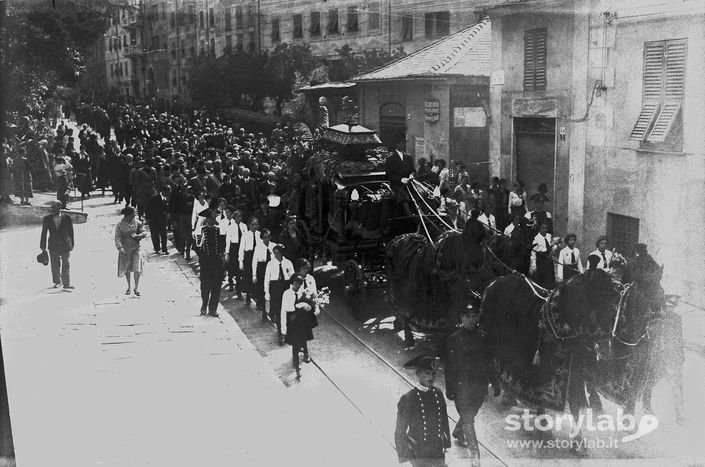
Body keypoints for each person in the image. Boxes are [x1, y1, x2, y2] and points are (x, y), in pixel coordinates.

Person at [445, 306, 500, 464]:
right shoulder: (454, 338)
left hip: (479, 386)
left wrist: (495, 383)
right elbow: (450, 365)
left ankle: (458, 431)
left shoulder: (483, 337)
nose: (470, 319)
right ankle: (475, 454)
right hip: (462, 386)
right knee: (469, 418)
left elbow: (490, 362)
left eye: (473, 316)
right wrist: (450, 387)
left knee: (472, 412)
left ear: (478, 317)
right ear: (461, 318)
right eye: (467, 316)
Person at [394, 355, 451, 467]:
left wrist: (447, 446)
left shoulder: (438, 393)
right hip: (418, 452)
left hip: (438, 450)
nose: (431, 377)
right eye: (427, 373)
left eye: (433, 373)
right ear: (418, 374)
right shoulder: (409, 398)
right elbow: (400, 430)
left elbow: (444, 421)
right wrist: (404, 457)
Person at [280, 275, 316, 379]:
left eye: (299, 284)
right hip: (292, 322)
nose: (297, 285)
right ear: (292, 283)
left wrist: (308, 307)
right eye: (296, 283)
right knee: (295, 344)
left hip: (301, 322)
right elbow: (283, 311)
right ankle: (296, 364)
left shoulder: (302, 293)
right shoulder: (286, 294)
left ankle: (303, 355)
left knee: (302, 340)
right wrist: (283, 329)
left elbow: (308, 306)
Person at [196, 207, 226, 317]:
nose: (212, 220)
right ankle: (204, 304)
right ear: (207, 219)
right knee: (205, 285)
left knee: (216, 286)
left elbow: (223, 245)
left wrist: (222, 259)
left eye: (214, 218)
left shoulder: (219, 230)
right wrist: (202, 257)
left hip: (217, 261)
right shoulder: (201, 230)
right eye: (210, 218)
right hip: (206, 262)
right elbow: (197, 245)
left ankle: (213, 309)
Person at [40, 201, 74, 289]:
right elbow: (44, 233)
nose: (54, 209)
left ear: (60, 207)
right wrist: (42, 246)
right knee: (55, 264)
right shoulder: (47, 219)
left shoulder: (67, 218)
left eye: (55, 207)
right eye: (52, 207)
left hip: (65, 244)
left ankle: (66, 283)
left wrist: (72, 243)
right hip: (53, 244)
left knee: (66, 263)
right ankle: (57, 281)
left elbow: (71, 232)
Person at [265, 244, 294, 344]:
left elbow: (292, 277)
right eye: (275, 253)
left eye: (278, 253)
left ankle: (287, 332)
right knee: (278, 311)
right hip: (275, 287)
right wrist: (267, 292)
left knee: (287, 310)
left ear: (282, 253)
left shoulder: (288, 263)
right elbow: (267, 279)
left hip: (285, 287)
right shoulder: (270, 264)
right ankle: (280, 333)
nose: (276, 255)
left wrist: (292, 290)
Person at [114, 206, 147, 296]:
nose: (134, 216)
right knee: (127, 268)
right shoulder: (120, 225)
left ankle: (136, 288)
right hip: (125, 249)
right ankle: (129, 286)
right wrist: (120, 248)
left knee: (137, 268)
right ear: (128, 215)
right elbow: (117, 237)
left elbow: (144, 231)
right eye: (133, 214)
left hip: (136, 247)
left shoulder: (137, 222)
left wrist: (139, 236)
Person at [385, 134, 416, 217]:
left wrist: (411, 175)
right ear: (397, 144)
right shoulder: (390, 158)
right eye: (401, 143)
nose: (403, 145)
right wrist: (401, 179)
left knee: (420, 191)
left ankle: (421, 211)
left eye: (404, 143)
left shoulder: (409, 157)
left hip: (409, 183)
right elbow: (389, 175)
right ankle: (409, 214)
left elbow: (413, 170)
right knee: (403, 195)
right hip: (397, 184)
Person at [252, 228, 276, 321]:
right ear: (262, 238)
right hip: (262, 269)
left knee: (272, 291)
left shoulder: (273, 246)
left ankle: (272, 313)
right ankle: (264, 314)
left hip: (271, 268)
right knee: (263, 292)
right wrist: (254, 275)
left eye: (268, 237)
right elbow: (254, 262)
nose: (267, 239)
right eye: (265, 237)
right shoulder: (258, 247)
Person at [238, 217, 261, 305]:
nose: (254, 226)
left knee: (257, 276)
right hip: (248, 256)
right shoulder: (245, 235)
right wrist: (241, 260)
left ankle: (256, 296)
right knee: (248, 276)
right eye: (252, 225)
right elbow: (241, 249)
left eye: (256, 224)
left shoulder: (259, 234)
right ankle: (248, 295)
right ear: (249, 225)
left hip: (257, 255)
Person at [224, 208, 247, 295]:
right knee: (231, 266)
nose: (239, 218)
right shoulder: (230, 227)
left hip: (241, 247)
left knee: (239, 268)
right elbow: (228, 240)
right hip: (233, 248)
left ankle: (238, 288)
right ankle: (230, 281)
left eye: (240, 216)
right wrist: (227, 252)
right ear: (234, 218)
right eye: (237, 216)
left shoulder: (244, 226)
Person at [146, 185, 171, 254]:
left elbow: (168, 208)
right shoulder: (154, 198)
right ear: (163, 191)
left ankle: (164, 249)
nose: (169, 193)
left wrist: (167, 213)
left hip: (162, 219)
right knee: (155, 234)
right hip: (153, 219)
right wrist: (147, 218)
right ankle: (157, 248)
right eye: (168, 192)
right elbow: (148, 208)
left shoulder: (168, 198)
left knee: (164, 234)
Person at [530, 222, 555, 288]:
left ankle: (550, 289)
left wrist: (554, 246)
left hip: (548, 258)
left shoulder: (549, 236)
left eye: (546, 228)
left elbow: (550, 245)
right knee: (542, 277)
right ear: (540, 229)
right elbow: (533, 252)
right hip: (541, 259)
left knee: (550, 276)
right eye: (542, 228)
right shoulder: (536, 238)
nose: (544, 230)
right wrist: (533, 265)